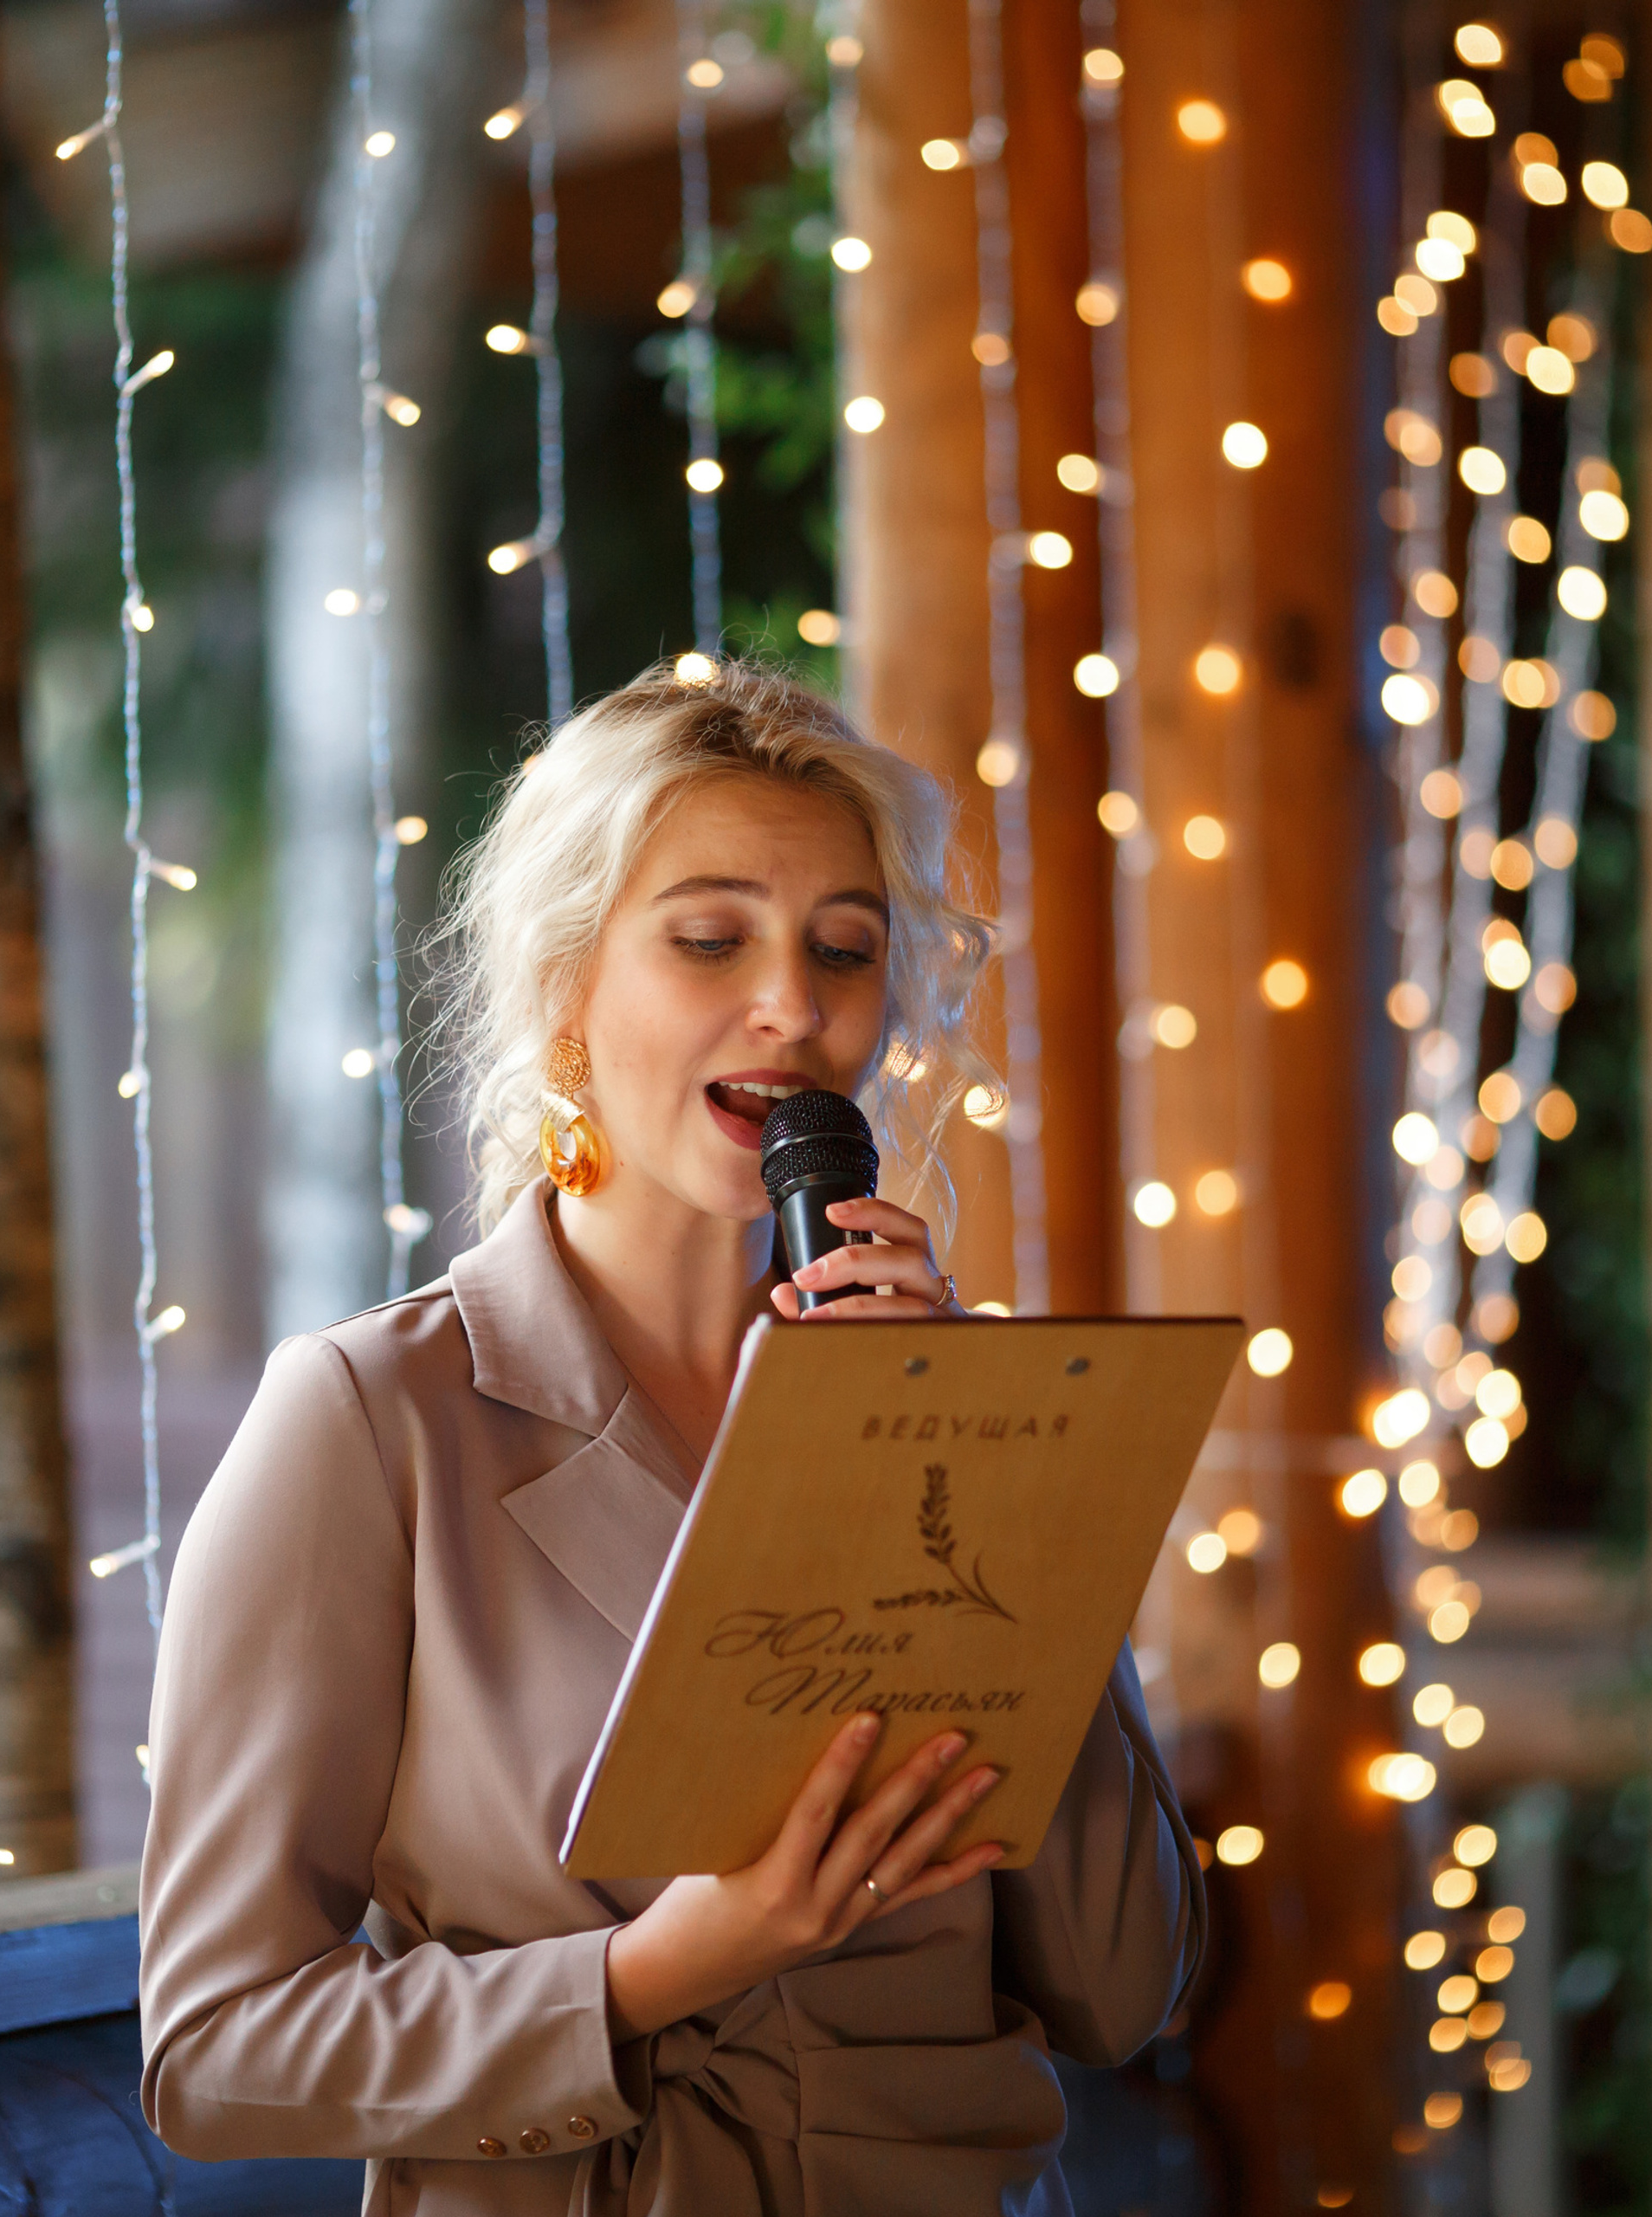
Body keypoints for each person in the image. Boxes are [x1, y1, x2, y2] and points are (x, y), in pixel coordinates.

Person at [137, 661, 1204, 2216]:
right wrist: (652, 1973)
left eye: (845, 948)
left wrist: (972, 1481)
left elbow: (1123, 1986)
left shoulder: (974, 1401)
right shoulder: (371, 1419)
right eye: (711, 939)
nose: (795, 1007)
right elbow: (217, 2054)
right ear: (564, 986)